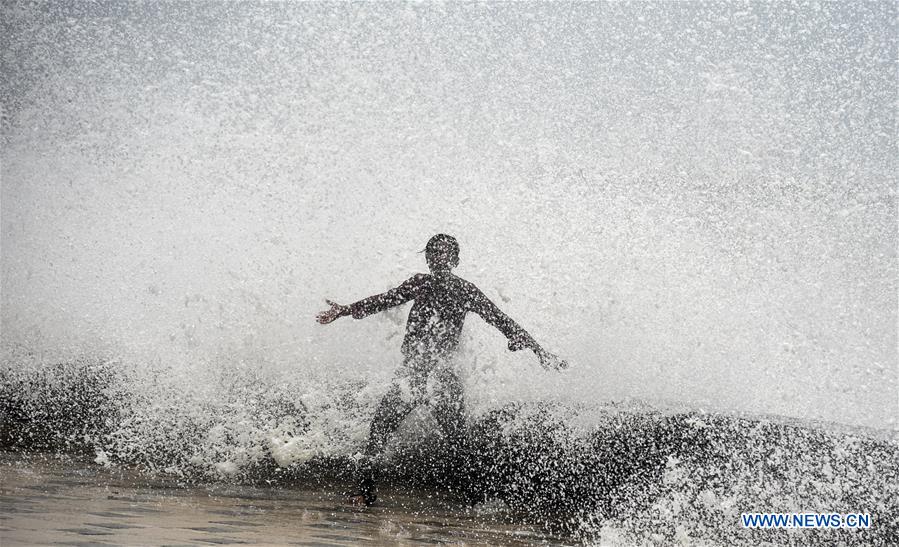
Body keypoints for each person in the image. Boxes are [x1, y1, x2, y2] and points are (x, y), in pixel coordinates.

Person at [316, 234, 566, 505]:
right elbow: (383, 301)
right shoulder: (419, 283)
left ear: (455, 260)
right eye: (433, 252)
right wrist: (344, 311)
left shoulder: (466, 290)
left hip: (442, 378)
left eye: (445, 253)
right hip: (413, 375)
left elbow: (501, 320)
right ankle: (366, 493)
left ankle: (481, 498)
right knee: (379, 431)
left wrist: (537, 349)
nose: (438, 256)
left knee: (459, 443)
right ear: (427, 258)